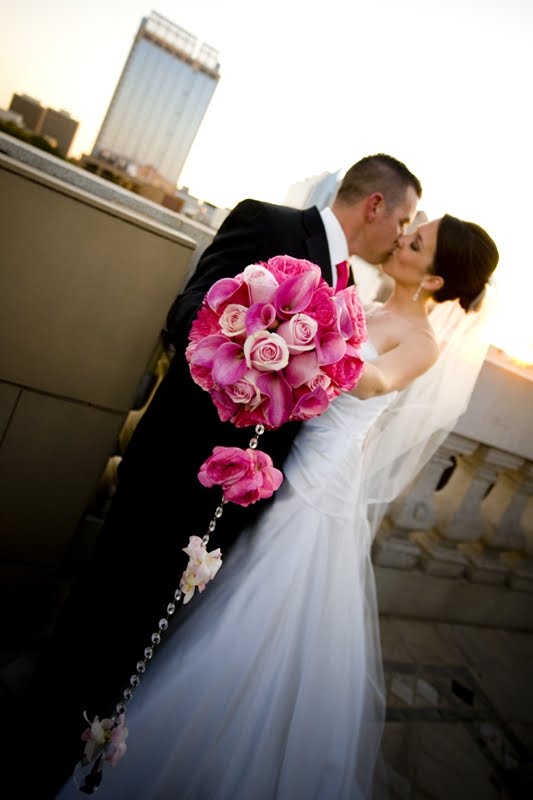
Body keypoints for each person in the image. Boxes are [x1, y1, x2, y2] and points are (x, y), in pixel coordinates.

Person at [2, 154, 423, 799]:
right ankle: (33, 758)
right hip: (176, 475)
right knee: (98, 625)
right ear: (374, 207)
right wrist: (261, 355)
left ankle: (80, 758)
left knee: (140, 644)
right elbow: (187, 311)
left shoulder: (350, 291)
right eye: (404, 219)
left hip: (235, 502)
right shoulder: (271, 225)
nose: (402, 234)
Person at [53, 212, 499, 799]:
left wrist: (305, 334)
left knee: (253, 615)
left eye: (416, 242)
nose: (402, 239)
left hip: (316, 492)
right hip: (280, 465)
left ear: (437, 280)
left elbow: (376, 382)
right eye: (410, 228)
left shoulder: (420, 340)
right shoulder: (360, 301)